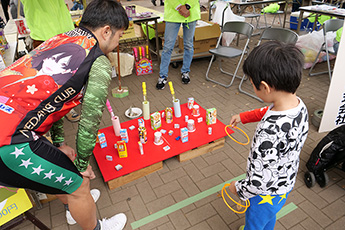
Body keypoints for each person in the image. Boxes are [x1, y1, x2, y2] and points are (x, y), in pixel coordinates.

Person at [0, 1, 129, 230]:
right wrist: (80, 165)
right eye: (120, 35)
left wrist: (58, 143)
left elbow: (56, 101)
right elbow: (89, 122)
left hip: (10, 123)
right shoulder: (97, 61)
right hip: (9, 140)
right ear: (106, 31)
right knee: (79, 185)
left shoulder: (62, 37)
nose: (119, 42)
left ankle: (73, 210)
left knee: (61, 167)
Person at [228, 41, 309, 230]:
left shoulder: (269, 133)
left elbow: (258, 179)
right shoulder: (297, 104)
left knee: (254, 223)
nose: (253, 89)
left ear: (265, 87)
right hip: (284, 183)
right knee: (268, 218)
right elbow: (268, 110)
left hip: (266, 192)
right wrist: (244, 117)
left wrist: (238, 189)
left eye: (253, 85)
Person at [20, 0, 81, 122]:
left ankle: (68, 103)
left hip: (64, 30)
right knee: (49, 78)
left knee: (68, 73)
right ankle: (59, 110)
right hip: (43, 34)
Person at [156, 0, 200, 89]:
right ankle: (163, 76)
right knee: (167, 47)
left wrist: (187, 6)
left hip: (190, 13)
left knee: (188, 45)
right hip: (173, 14)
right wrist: (179, 7)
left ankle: (185, 72)